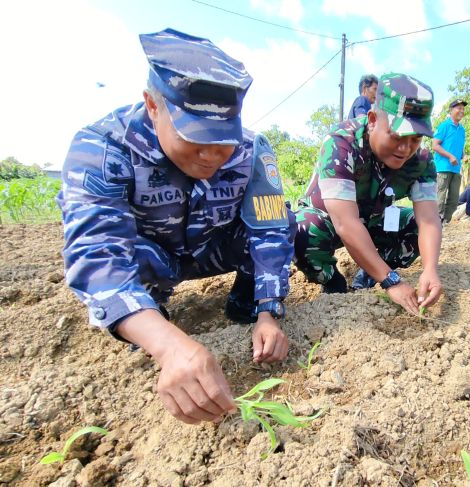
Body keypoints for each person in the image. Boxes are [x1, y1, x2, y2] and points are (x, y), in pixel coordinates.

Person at [57, 29, 294, 425]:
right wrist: (167, 348)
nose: (213, 155)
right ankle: (150, 320)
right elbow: (96, 255)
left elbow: (270, 232)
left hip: (211, 250)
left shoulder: (252, 151)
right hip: (151, 259)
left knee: (285, 221)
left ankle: (243, 305)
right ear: (153, 104)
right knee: (142, 298)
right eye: (196, 137)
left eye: (224, 140)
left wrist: (268, 311)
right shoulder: (101, 147)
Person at [294, 73, 443, 314]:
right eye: (397, 137)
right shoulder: (342, 143)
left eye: (415, 139)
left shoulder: (422, 161)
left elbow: (428, 220)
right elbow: (345, 223)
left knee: (415, 226)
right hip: (330, 222)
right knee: (303, 230)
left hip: (374, 221)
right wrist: (392, 281)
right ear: (373, 120)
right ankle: (334, 283)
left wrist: (430, 270)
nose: (406, 149)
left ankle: (370, 272)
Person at [433, 99, 468, 223]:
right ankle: (436, 223)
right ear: (451, 110)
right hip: (443, 167)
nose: (461, 111)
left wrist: (463, 155)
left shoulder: (462, 129)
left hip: (456, 168)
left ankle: (444, 222)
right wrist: (450, 156)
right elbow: (435, 145)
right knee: (440, 198)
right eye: (458, 108)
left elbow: (459, 146)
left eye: (463, 109)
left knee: (453, 200)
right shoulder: (444, 126)